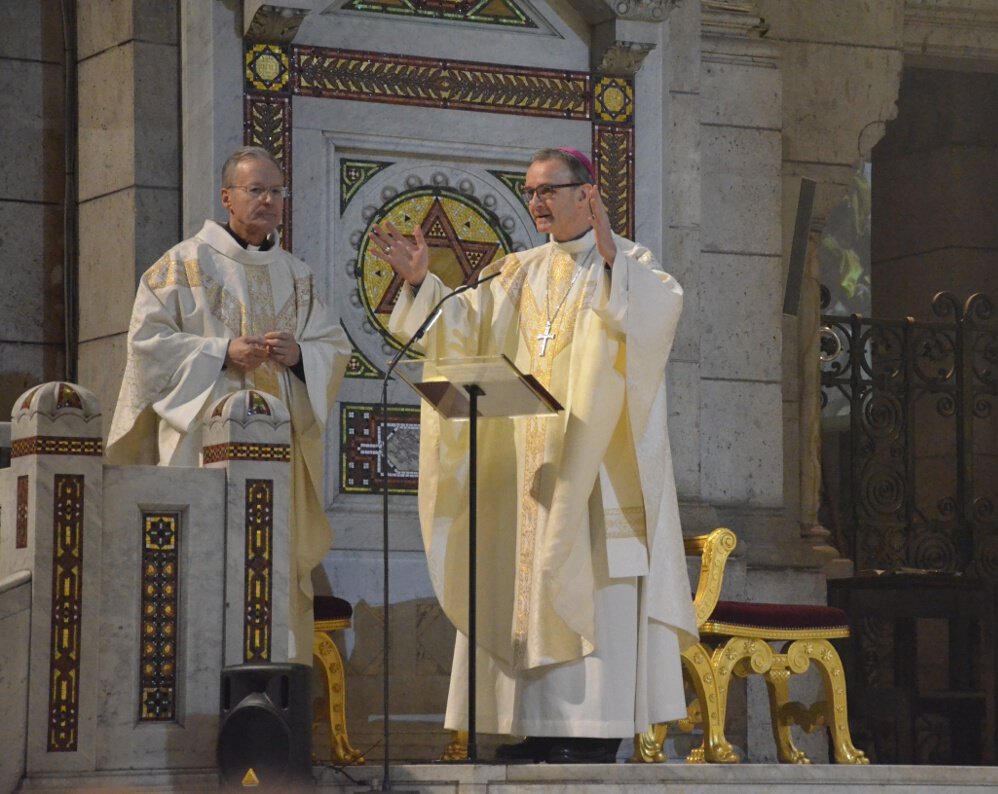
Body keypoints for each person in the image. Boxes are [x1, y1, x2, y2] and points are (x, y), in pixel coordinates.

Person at [371, 148, 697, 763]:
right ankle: (535, 729)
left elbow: (655, 317)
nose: (538, 202)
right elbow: (457, 331)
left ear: (588, 194)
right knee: (523, 591)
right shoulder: (513, 272)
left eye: (549, 190)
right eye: (530, 191)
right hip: (528, 470)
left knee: (586, 586)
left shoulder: (630, 263)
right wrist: (420, 283)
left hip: (595, 468)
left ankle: (593, 733)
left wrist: (609, 261)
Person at [107, 145, 351, 664]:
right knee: (209, 570)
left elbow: (334, 347)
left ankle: (275, 685)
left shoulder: (298, 275)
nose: (268, 200)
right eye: (255, 189)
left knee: (274, 571)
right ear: (226, 198)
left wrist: (302, 355)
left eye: (276, 191)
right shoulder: (181, 265)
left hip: (278, 460)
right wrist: (220, 352)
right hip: (203, 450)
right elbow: (146, 348)